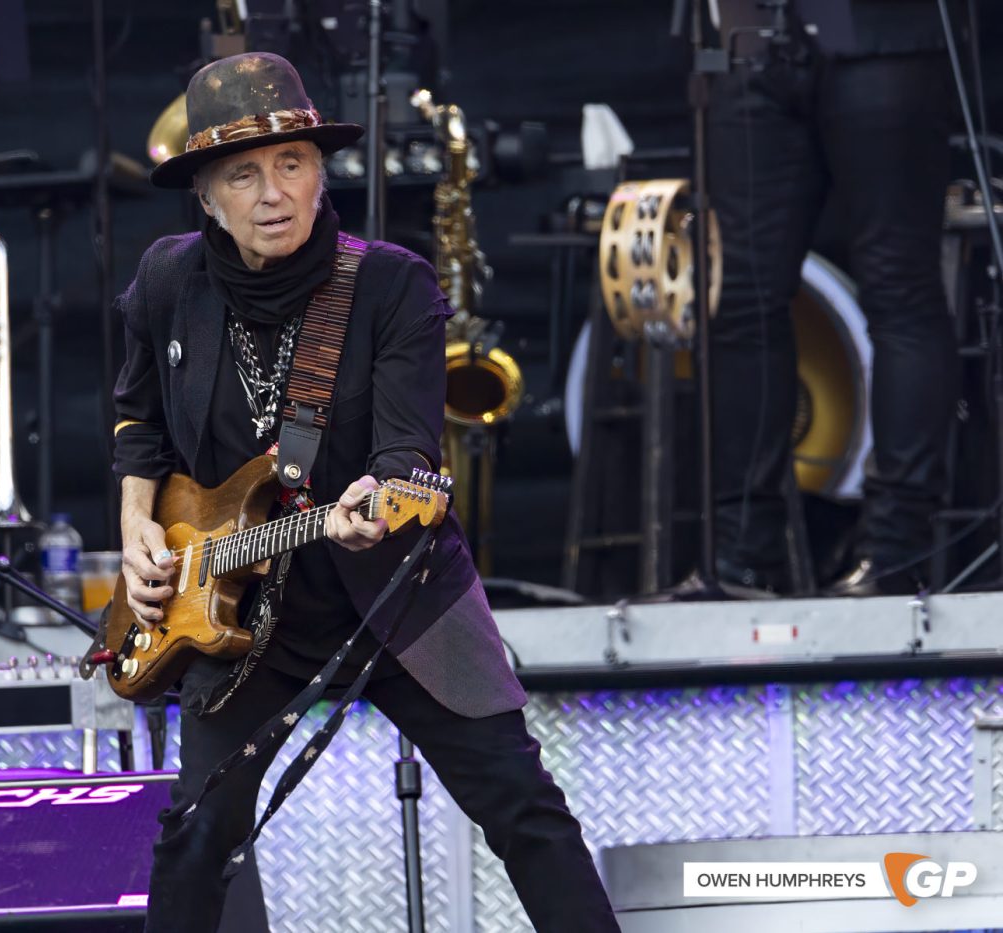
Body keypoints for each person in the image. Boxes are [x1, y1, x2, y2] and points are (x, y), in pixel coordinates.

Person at [112, 52, 620, 932]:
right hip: (237, 610)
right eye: (243, 173)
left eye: (293, 163)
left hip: (395, 592)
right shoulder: (167, 282)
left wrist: (372, 506)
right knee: (194, 832)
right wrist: (135, 529)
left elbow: (405, 453)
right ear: (205, 195)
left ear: (320, 171)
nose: (273, 193)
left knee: (524, 808)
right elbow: (137, 422)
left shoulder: (389, 283)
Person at [708, 0, 958, 596]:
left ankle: (897, 552)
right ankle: (743, 554)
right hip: (750, 42)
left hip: (882, 41)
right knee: (741, 298)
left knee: (899, 289)